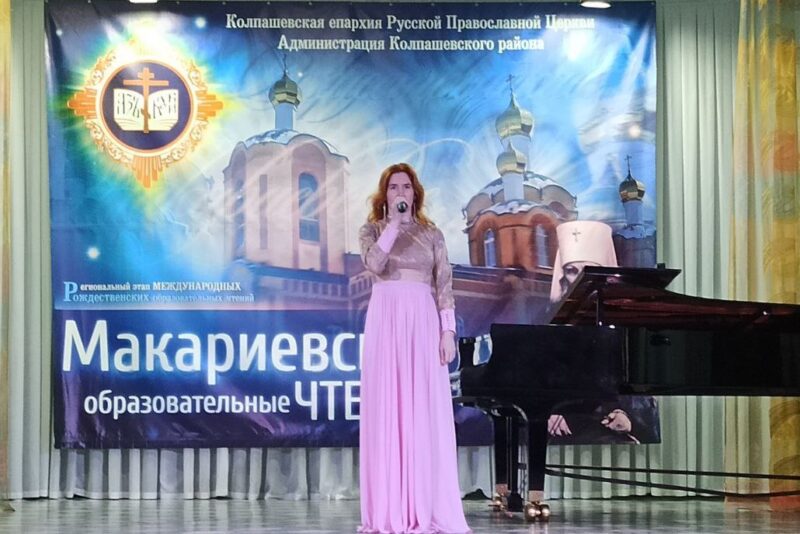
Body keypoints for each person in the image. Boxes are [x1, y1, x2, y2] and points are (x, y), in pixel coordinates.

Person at [358, 163, 470, 534]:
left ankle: (426, 503)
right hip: (386, 318)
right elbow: (375, 264)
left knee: (423, 407)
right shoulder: (372, 230)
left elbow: (444, 285)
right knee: (388, 404)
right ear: (385, 195)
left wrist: (447, 331)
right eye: (393, 187)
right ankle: (390, 508)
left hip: (422, 320)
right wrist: (393, 225)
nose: (400, 193)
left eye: (406, 187)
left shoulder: (432, 234)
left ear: (415, 194)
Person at [546, 220, 660, 445]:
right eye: (571, 271)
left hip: (604, 426)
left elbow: (638, 394)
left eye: (589, 270)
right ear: (562, 275)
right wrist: (547, 411)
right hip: (561, 428)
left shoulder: (624, 326)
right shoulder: (549, 327)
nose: (579, 279)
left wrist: (625, 416)